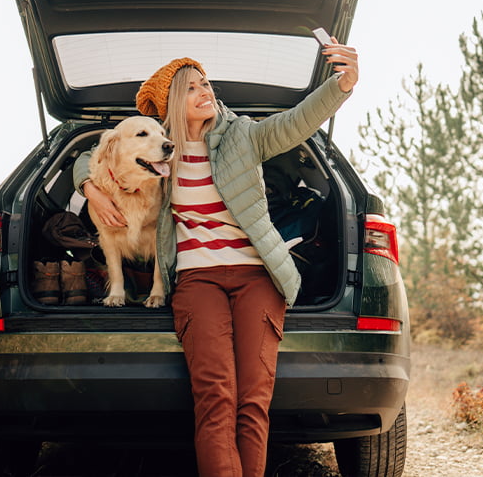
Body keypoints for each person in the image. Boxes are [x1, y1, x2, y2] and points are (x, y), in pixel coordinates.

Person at [74, 38, 359, 477]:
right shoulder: (156, 156)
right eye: (191, 87)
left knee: (253, 399)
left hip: (257, 277)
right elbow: (93, 156)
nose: (205, 90)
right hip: (196, 279)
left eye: (205, 82)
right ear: (172, 101)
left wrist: (342, 85)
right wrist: (88, 187)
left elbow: (297, 121)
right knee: (215, 397)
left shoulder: (244, 135)